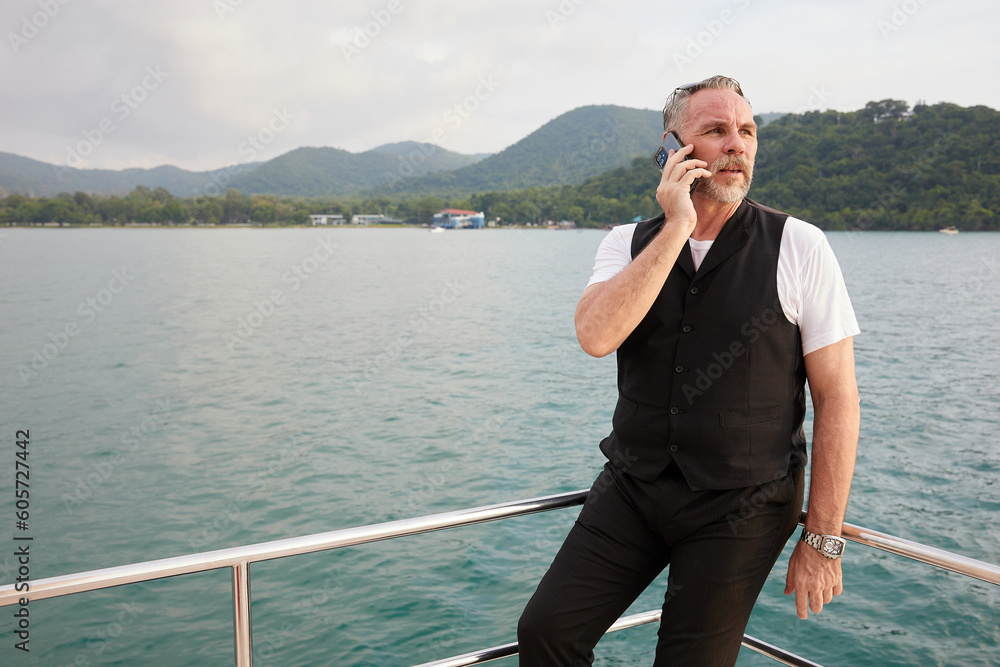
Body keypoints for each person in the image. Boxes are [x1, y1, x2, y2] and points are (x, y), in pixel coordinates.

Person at [517, 75, 861, 666]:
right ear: (673, 150)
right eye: (716, 130)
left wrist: (822, 539)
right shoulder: (627, 243)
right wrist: (677, 225)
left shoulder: (800, 246)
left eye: (747, 131)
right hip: (634, 485)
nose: (738, 144)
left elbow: (838, 400)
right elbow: (596, 336)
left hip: (743, 503)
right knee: (546, 633)